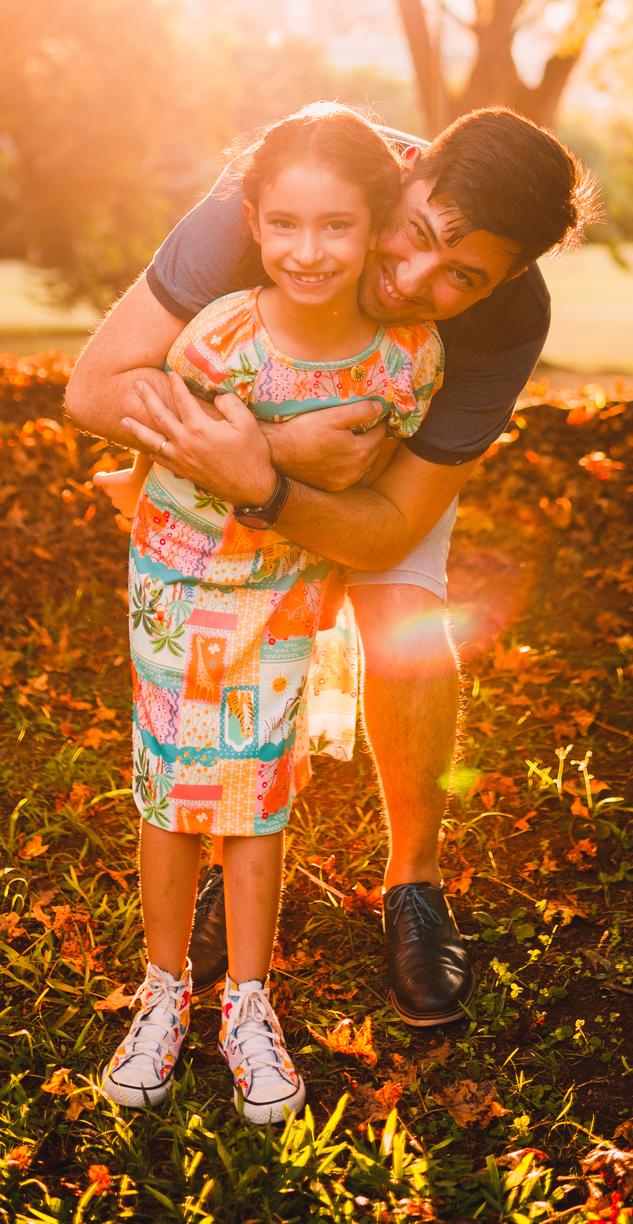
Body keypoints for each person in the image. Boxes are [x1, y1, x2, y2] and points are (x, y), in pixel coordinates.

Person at [65, 105, 592, 1031]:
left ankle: (414, 885)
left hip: (388, 452)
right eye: (418, 235)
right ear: (409, 170)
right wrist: (266, 455)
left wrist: (269, 486)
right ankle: (222, 887)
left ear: (505, 279)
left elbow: (388, 528)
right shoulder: (290, 191)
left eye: (462, 276)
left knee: (406, 625)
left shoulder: (511, 318)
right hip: (248, 431)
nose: (418, 278)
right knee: (219, 660)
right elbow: (97, 387)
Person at [95, 106, 443, 1122]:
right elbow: (160, 439)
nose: (308, 249)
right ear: (252, 220)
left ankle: (249, 1003)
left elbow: (376, 494)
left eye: (336, 225)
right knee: (172, 787)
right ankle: (165, 993)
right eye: (284, 223)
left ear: (379, 224)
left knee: (256, 790)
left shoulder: (404, 361)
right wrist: (217, 458)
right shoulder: (220, 336)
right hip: (178, 578)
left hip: (287, 588)